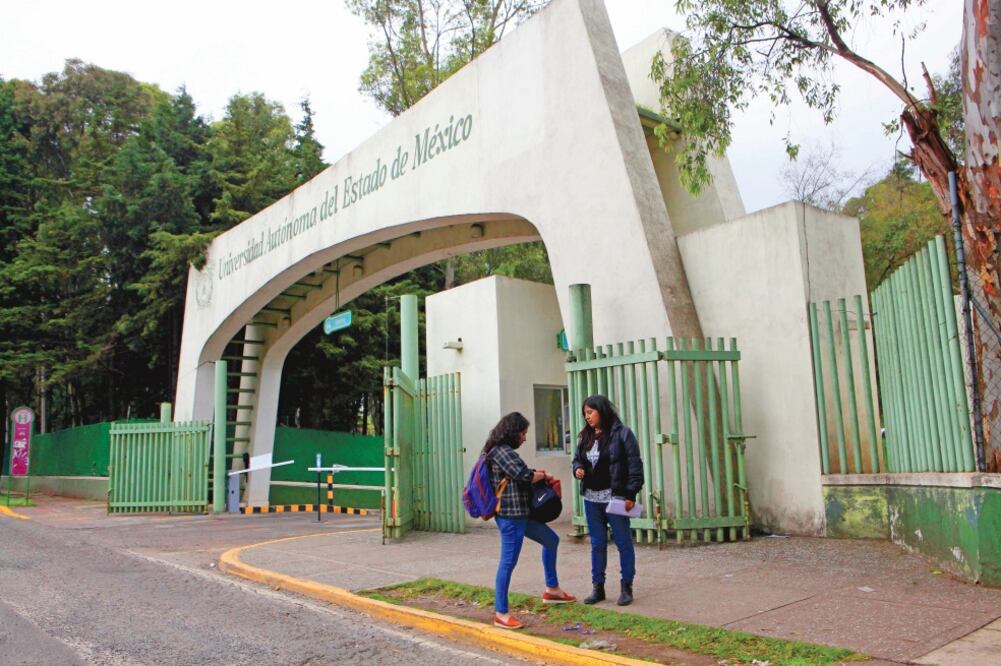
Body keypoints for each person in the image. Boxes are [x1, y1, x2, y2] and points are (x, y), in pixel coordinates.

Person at [485, 412, 576, 629]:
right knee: (508, 562)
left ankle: (552, 590)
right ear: (512, 432)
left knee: (551, 541)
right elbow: (524, 475)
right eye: (523, 433)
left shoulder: (502, 452)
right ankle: (501, 613)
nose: (525, 438)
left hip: (522, 515)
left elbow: (521, 474)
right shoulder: (501, 452)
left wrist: (537, 473)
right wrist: (543, 475)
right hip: (511, 517)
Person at [572, 395, 643, 606]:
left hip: (615, 498)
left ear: (602, 411)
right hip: (591, 499)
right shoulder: (585, 436)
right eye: (585, 413)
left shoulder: (623, 434)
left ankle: (626, 587)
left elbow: (635, 466)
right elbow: (577, 458)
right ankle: (598, 587)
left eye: (590, 412)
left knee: (623, 543)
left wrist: (631, 494)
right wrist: (577, 469)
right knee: (597, 544)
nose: (587, 417)